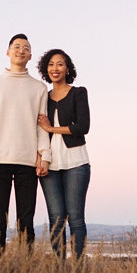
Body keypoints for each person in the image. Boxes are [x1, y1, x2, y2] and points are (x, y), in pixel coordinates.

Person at [0, 34, 51, 252]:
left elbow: (41, 126)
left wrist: (45, 155)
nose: (21, 50)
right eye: (17, 47)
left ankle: (25, 271)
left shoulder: (38, 88)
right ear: (8, 52)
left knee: (26, 222)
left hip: (28, 163)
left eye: (26, 48)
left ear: (30, 56)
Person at [36, 48, 91, 259]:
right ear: (45, 69)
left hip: (76, 162)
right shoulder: (43, 97)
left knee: (76, 219)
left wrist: (52, 129)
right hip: (50, 165)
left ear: (67, 68)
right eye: (50, 64)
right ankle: (59, 272)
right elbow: (37, 131)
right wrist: (40, 158)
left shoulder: (78, 93)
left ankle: (78, 270)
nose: (55, 68)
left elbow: (83, 126)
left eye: (60, 64)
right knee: (56, 219)